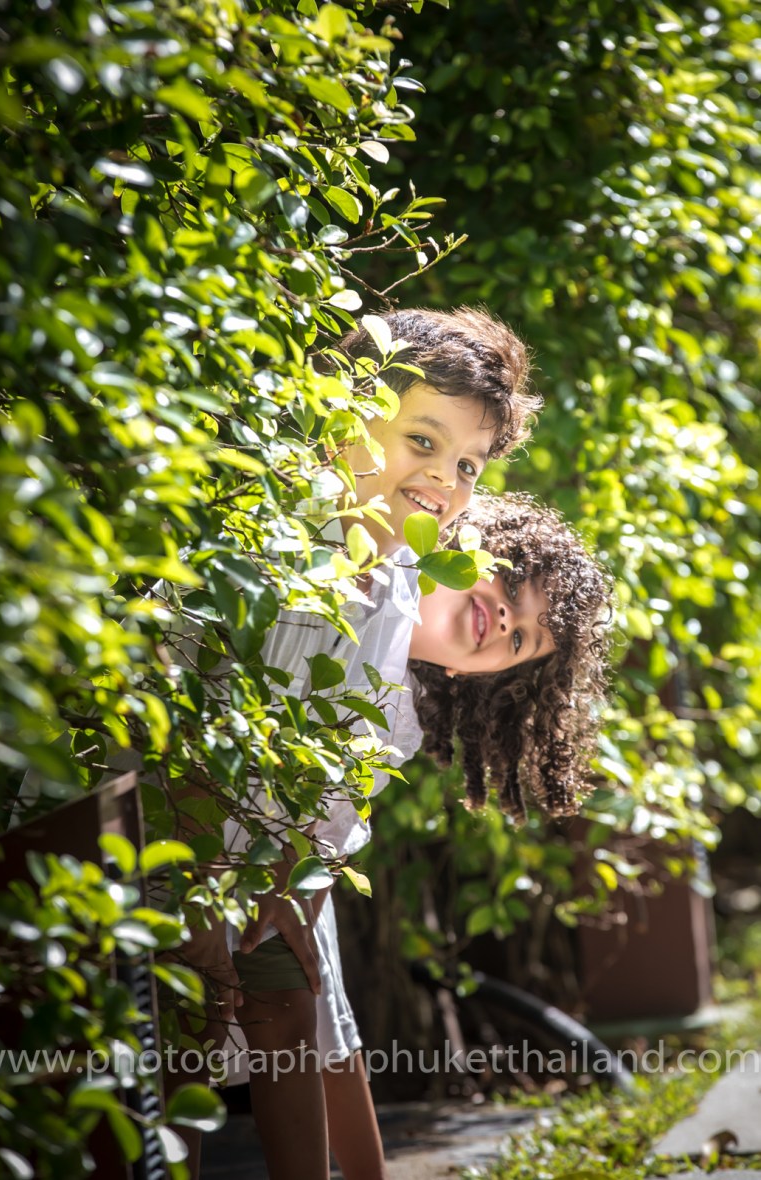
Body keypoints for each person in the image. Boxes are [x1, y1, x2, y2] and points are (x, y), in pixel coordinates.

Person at [173, 307, 539, 1180]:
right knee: (185, 1030)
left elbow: (330, 768)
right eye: (423, 440)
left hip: (262, 865)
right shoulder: (273, 539)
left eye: (466, 465)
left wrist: (284, 878)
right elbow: (183, 713)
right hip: (170, 835)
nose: (444, 478)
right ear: (343, 411)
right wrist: (206, 894)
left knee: (290, 1009)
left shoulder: (396, 583)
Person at [221, 492, 613, 1180]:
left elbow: (326, 824)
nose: (507, 620)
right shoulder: (364, 578)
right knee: (258, 1023)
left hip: (280, 864)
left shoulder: (397, 717)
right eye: (512, 587)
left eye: (521, 641)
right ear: (461, 542)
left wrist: (303, 875)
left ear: (474, 673)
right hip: (209, 819)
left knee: (311, 1018)